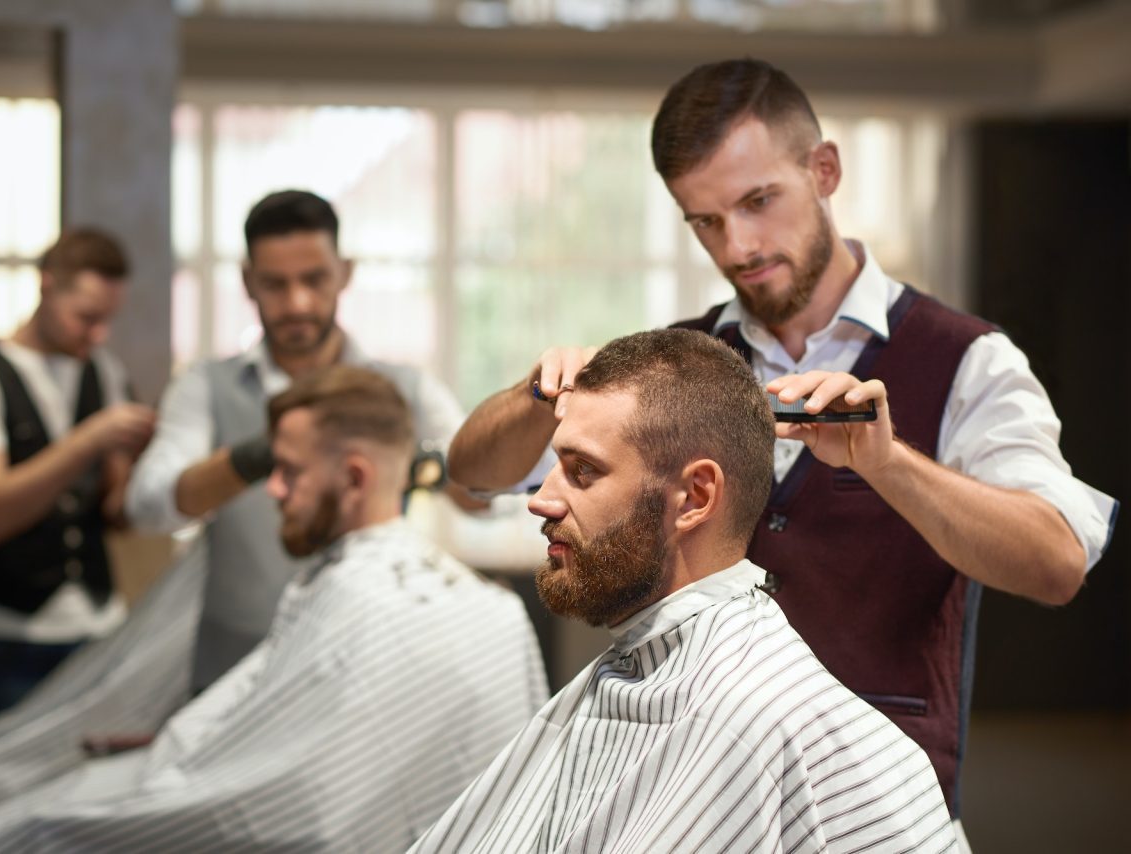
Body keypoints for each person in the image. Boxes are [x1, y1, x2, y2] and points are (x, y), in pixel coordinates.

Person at [444, 58, 1117, 827]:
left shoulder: (969, 360)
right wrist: (535, 398)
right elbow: (471, 478)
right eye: (705, 221)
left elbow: (1056, 564)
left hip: (876, 806)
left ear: (823, 170)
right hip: (697, 796)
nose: (738, 246)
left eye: (758, 201)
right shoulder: (676, 364)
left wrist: (889, 466)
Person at [0, 365, 547, 854]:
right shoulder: (491, 608)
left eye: (289, 472)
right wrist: (174, 744)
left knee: (12, 829)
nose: (272, 489)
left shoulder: (355, 599)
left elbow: (279, 804)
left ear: (355, 477)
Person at [413, 329, 956, 852]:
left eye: (582, 471)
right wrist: (534, 391)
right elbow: (469, 472)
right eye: (556, 465)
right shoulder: (630, 674)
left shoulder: (785, 721)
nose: (540, 500)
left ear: (696, 497)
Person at [126, 189, 477, 692]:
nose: (297, 303)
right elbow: (147, 506)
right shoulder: (205, 387)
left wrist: (422, 463)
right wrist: (268, 453)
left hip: (365, 671)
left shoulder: (405, 390)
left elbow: (488, 499)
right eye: (275, 284)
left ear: (345, 273)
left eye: (314, 280)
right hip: (234, 676)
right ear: (248, 281)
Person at [0, 226, 157, 725]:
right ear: (47, 286)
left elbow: (115, 512)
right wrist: (88, 441)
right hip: (5, 632)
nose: (98, 335)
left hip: (99, 623)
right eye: (87, 318)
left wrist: (150, 463)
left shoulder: (105, 371)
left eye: (107, 320)